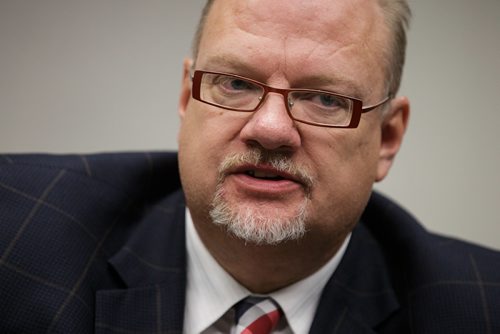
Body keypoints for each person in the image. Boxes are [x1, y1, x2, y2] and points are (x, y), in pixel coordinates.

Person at [0, 0, 499, 333]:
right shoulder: (17, 236)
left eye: (325, 98)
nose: (269, 129)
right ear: (185, 96)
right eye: (235, 84)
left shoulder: (477, 309)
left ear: (388, 137)